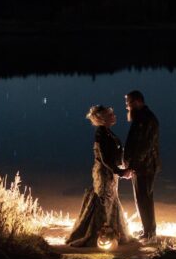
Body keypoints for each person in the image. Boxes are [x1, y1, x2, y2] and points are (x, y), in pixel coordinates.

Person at [65, 105, 132, 248]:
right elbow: (104, 158)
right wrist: (120, 171)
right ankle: (99, 234)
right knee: (102, 200)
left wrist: (123, 165)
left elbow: (115, 153)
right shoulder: (100, 134)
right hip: (103, 172)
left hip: (111, 172)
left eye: (112, 113)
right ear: (102, 119)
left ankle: (112, 231)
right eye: (110, 114)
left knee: (110, 199)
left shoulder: (108, 132)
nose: (114, 115)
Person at [123, 90, 160, 241]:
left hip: (145, 166)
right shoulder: (140, 118)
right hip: (141, 165)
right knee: (142, 198)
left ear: (137, 102)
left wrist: (134, 165)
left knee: (144, 198)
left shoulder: (147, 119)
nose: (127, 106)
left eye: (129, 103)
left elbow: (146, 145)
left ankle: (150, 233)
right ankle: (147, 230)